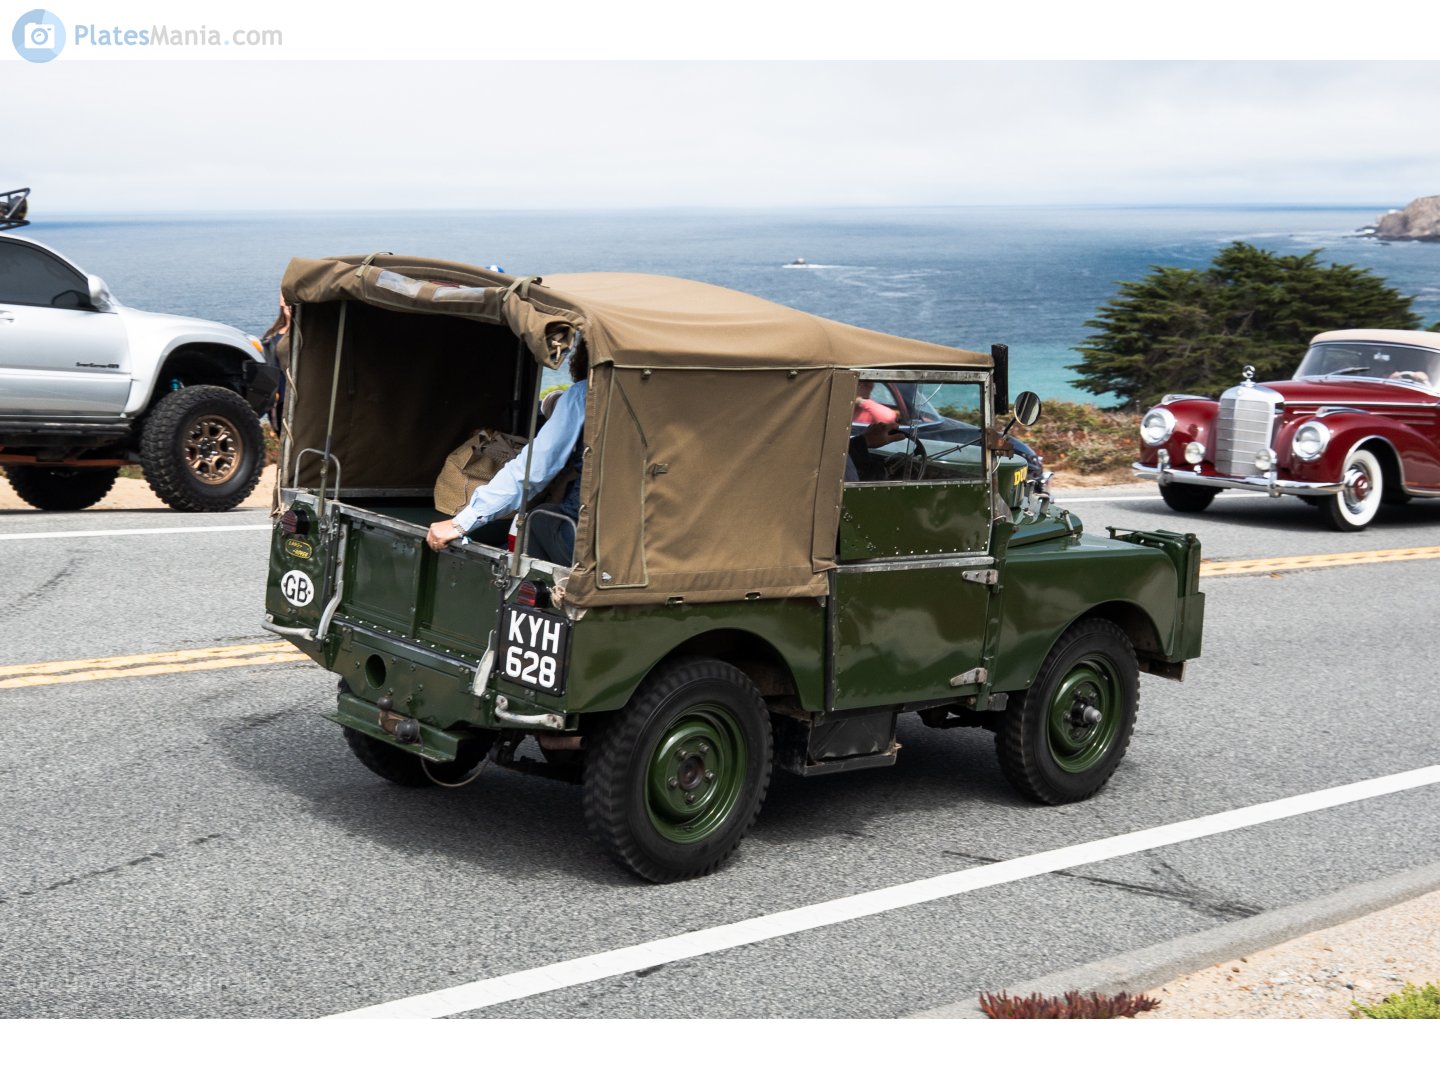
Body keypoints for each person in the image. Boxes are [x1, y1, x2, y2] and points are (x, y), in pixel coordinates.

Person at [426, 345, 588, 563]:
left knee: (536, 521)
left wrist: (460, 523)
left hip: (588, 540)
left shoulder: (585, 394)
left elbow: (532, 470)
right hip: (642, 548)